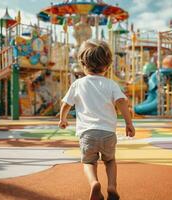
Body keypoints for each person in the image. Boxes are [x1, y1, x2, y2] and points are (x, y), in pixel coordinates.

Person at [59, 40, 135, 200]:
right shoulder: (111, 84)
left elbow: (66, 104)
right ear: (107, 66)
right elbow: (122, 102)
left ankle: (94, 183)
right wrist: (129, 123)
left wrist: (62, 119)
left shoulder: (78, 84)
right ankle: (112, 186)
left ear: (82, 64)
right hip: (108, 133)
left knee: (89, 162)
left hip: (87, 134)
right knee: (110, 160)